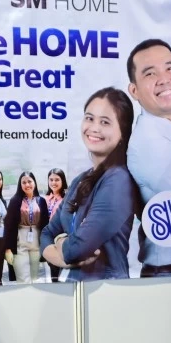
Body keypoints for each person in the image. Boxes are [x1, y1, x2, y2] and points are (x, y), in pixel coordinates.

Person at [41, 89, 141, 281]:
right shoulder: (81, 180)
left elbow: (76, 250)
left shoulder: (119, 181)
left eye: (105, 122)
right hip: (74, 287)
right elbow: (47, 232)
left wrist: (61, 243)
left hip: (106, 293)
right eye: (89, 118)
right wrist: (62, 255)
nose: (94, 128)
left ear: (122, 131)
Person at [125, 39, 171, 277]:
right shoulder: (148, 142)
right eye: (150, 73)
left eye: (170, 68)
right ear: (134, 90)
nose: (164, 78)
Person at [4, 171, 50, 284]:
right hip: (20, 243)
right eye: (23, 182)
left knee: (34, 278)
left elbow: (45, 224)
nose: (27, 184)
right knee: (23, 279)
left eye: (29, 181)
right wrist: (8, 248)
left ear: (34, 183)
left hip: (36, 243)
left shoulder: (41, 201)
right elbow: (9, 226)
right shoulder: (15, 201)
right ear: (20, 185)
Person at [44, 168, 68, 282]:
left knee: (58, 267)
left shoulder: (67, 198)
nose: (53, 183)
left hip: (61, 237)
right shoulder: (45, 199)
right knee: (52, 267)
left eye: (57, 180)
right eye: (51, 180)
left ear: (62, 181)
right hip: (48, 237)